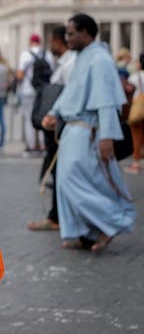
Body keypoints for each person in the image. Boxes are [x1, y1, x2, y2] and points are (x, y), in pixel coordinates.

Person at [41, 13, 135, 252]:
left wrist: (106, 137)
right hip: (74, 129)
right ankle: (85, 231)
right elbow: (71, 93)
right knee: (65, 181)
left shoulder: (99, 60)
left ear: (86, 32)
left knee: (73, 180)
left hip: (88, 130)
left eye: (71, 33)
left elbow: (105, 101)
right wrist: (55, 112)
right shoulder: (83, 58)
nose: (67, 38)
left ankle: (111, 222)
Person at [27, 25, 76, 231]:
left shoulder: (69, 64)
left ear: (58, 41)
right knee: (58, 172)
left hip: (61, 128)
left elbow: (69, 96)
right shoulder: (64, 63)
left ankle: (57, 217)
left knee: (60, 172)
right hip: (58, 125)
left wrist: (53, 115)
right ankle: (57, 215)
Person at [16, 34, 53, 156]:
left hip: (28, 91)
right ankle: (43, 145)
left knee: (28, 118)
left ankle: (31, 145)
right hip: (44, 90)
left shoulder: (25, 55)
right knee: (43, 116)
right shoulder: (47, 55)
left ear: (30, 42)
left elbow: (20, 75)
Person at [124, 53, 144, 174]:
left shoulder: (135, 77)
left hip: (137, 109)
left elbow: (128, 93)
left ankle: (136, 163)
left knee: (136, 136)